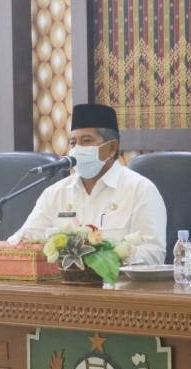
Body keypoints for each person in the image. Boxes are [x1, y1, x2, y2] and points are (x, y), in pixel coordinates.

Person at [9, 104, 167, 264]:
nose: (77, 149)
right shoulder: (55, 193)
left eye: (86, 141)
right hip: (62, 280)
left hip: (116, 279)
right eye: (73, 143)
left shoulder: (141, 190)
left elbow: (154, 254)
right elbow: (23, 240)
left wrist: (101, 256)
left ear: (112, 147)